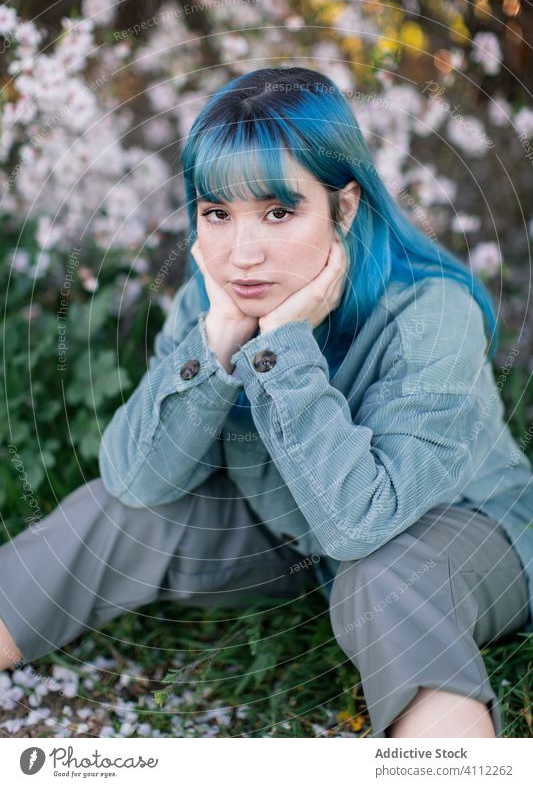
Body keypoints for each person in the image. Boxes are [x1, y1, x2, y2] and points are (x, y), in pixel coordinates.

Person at [1, 66, 532, 739]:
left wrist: (281, 343)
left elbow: (361, 525)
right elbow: (135, 480)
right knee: (120, 514)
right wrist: (219, 340)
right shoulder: (214, 298)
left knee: (384, 575)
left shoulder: (431, 314)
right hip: (292, 528)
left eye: (278, 211)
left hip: (455, 534)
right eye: (217, 214)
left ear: (343, 206)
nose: (241, 254)